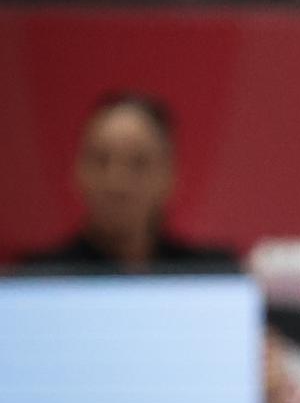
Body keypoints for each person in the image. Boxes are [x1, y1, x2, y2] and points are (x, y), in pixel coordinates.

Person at [21, 92, 235, 270]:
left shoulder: (209, 278)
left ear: (170, 178)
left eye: (138, 163)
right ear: (78, 172)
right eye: (101, 160)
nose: (116, 182)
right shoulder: (36, 283)